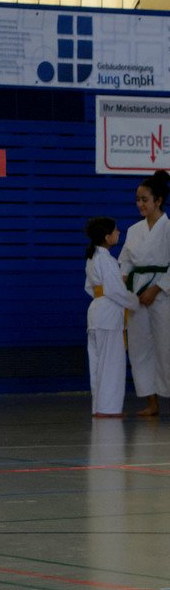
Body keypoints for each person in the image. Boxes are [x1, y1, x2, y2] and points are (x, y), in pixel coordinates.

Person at [119, 170, 170, 416]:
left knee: (166, 346)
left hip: (163, 293)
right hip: (137, 295)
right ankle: (152, 402)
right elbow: (125, 262)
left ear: (158, 200)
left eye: (145, 199)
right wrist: (123, 289)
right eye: (137, 199)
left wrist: (157, 288)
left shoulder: (168, 228)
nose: (140, 204)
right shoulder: (133, 230)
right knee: (140, 348)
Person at [84, 217, 138, 418]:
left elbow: (90, 288)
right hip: (108, 315)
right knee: (111, 363)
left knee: (97, 363)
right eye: (116, 231)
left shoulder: (92, 258)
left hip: (96, 312)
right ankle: (108, 408)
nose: (118, 233)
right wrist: (134, 301)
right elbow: (116, 290)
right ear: (107, 237)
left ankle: (98, 407)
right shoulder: (107, 260)